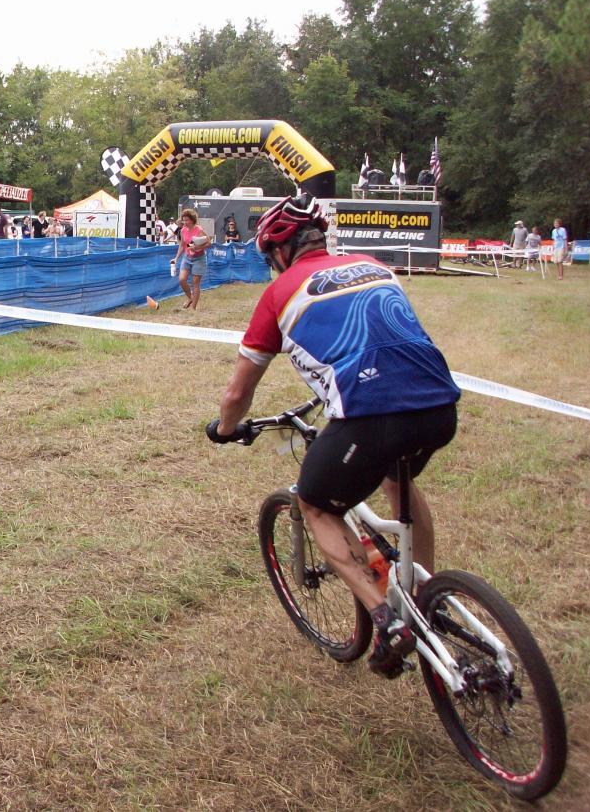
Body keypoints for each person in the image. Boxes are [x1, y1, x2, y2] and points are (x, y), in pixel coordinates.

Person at [208, 195, 460, 678]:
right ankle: (424, 595)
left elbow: (239, 391)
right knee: (397, 480)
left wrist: (224, 430)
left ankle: (388, 622)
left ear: (280, 252)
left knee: (317, 504)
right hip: (439, 406)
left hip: (370, 415)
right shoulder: (372, 264)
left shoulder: (280, 292)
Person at [171, 210, 209, 311]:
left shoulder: (199, 230)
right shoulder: (183, 230)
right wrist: (176, 258)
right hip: (187, 257)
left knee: (195, 283)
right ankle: (190, 298)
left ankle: (193, 308)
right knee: (182, 279)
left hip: (199, 258)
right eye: (183, 221)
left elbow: (209, 243)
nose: (184, 223)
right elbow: (183, 245)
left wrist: (197, 248)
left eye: (186, 220)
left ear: (192, 220)